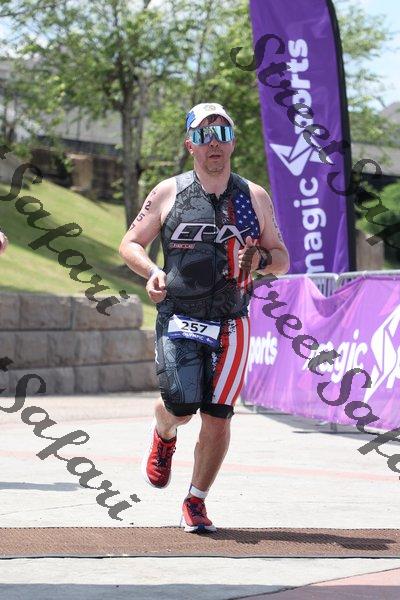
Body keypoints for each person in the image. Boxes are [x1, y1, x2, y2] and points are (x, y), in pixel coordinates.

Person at [119, 102, 290, 533]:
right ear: (189, 145)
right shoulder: (168, 192)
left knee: (218, 415)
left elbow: (283, 259)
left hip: (233, 319)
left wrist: (261, 258)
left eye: (221, 134)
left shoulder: (254, 197)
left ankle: (195, 500)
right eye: (202, 135)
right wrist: (153, 271)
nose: (213, 143)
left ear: (233, 142)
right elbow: (130, 244)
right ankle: (164, 431)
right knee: (180, 407)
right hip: (179, 315)